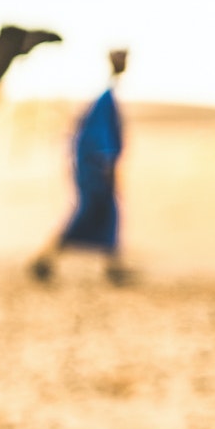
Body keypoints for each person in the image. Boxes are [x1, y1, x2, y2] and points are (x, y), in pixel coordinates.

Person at [31, 48, 131, 286]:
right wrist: (104, 161)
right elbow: (97, 136)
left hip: (95, 167)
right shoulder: (105, 100)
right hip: (94, 169)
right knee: (88, 213)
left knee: (106, 214)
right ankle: (44, 259)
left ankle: (113, 267)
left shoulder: (106, 97)